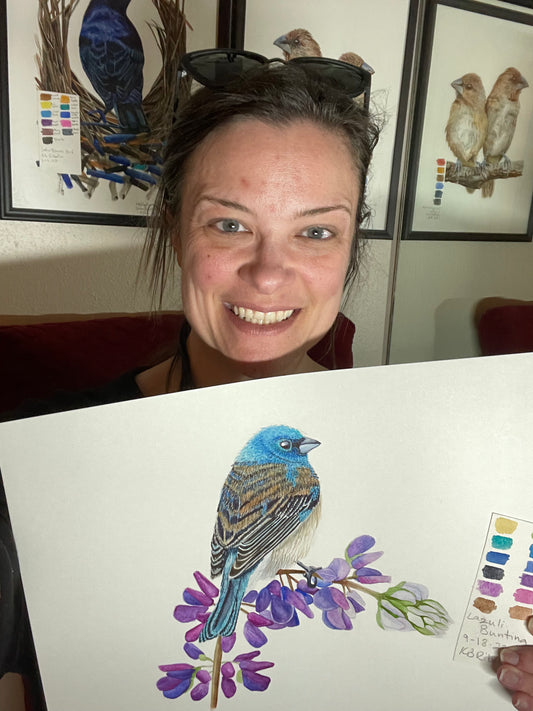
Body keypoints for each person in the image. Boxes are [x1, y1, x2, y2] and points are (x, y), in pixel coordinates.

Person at [1, 49, 532, 709]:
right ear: (175, 231)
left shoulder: (459, 453)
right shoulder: (40, 455)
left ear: (350, 249)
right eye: (229, 224)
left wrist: (505, 673)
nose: (268, 273)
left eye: (315, 231)